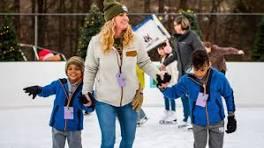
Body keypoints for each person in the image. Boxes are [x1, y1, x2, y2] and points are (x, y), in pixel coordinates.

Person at [81, 0, 165, 147]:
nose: (126, 18)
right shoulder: (96, 42)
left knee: (128, 139)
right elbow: (90, 68)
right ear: (111, 19)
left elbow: (145, 62)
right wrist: (86, 91)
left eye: (126, 14)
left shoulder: (135, 40)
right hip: (104, 100)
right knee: (108, 141)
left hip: (129, 99)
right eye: (121, 15)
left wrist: (159, 77)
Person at [158, 50, 237, 148]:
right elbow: (174, 93)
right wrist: (163, 88)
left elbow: (228, 94)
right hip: (198, 122)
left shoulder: (219, 78)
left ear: (209, 64)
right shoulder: (187, 80)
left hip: (217, 121)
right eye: (196, 69)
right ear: (193, 66)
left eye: (202, 69)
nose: (199, 73)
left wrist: (231, 115)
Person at [23, 56, 95, 148]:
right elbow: (46, 90)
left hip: (74, 127)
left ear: (82, 71)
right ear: (66, 71)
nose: (73, 71)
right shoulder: (59, 84)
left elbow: (90, 108)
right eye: (70, 69)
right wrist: (38, 90)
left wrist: (87, 102)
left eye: (77, 69)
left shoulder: (85, 88)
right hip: (57, 124)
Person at [160, 15, 204, 128]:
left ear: (182, 24)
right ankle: (186, 118)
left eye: (176, 24)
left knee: (196, 95)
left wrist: (196, 66)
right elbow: (175, 54)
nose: (174, 27)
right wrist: (165, 63)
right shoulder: (177, 38)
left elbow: (201, 51)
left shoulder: (192, 36)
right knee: (184, 95)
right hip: (182, 72)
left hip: (193, 71)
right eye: (174, 25)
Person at [157, 41, 178, 124]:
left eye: (161, 49)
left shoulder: (171, 57)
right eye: (159, 50)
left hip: (171, 81)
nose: (160, 51)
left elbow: (173, 71)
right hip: (164, 81)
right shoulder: (163, 58)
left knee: (171, 97)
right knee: (165, 97)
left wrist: (172, 82)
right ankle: (167, 111)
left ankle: (173, 114)